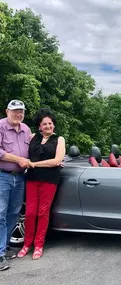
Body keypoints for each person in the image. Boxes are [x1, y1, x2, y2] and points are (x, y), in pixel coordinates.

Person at [17, 108, 65, 260]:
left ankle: (38, 245)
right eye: (45, 124)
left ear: (54, 125)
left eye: (50, 123)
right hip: (32, 179)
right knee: (30, 213)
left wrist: (34, 164)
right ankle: (26, 244)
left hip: (49, 180)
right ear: (39, 126)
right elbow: (21, 152)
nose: (48, 126)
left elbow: (57, 161)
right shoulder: (32, 137)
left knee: (42, 213)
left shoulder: (59, 140)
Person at [0, 99, 31, 271]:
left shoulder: (26, 129)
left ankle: (3, 247)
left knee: (14, 213)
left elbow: (31, 150)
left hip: (19, 177)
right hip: (2, 176)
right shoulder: (1, 126)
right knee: (0, 214)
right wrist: (18, 159)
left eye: (21, 111)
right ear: (7, 111)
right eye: (15, 111)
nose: (18, 114)